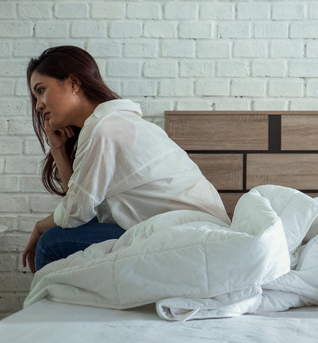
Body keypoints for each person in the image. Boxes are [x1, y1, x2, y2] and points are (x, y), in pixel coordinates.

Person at [22, 46, 230, 273]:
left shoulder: (104, 128)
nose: (38, 104)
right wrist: (59, 152)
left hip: (189, 232)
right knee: (64, 232)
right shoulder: (112, 122)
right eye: (35, 96)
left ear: (73, 83)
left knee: (51, 243)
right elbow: (80, 205)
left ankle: (51, 308)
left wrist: (39, 227)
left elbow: (75, 212)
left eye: (41, 90)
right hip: (188, 226)